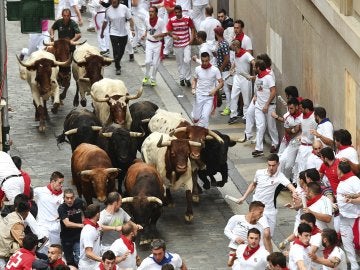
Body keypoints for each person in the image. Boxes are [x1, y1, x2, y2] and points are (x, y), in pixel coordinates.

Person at [237, 154, 297, 238]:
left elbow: (290, 186)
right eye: (269, 165)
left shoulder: (280, 177)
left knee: (269, 236)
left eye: (273, 165)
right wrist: (243, 197)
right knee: (264, 233)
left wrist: (294, 192)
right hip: (257, 208)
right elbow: (253, 184)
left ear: (278, 164)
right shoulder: (259, 173)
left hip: (270, 210)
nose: (271, 168)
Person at [224, 201, 271, 267]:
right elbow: (226, 230)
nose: (262, 215)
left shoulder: (260, 228)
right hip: (234, 252)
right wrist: (235, 238)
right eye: (260, 212)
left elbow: (261, 244)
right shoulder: (236, 218)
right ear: (253, 211)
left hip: (249, 255)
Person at [336, 161, 360, 270]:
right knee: (347, 244)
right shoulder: (342, 181)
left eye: (337, 169)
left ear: (340, 171)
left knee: (358, 243)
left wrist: (351, 200)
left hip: (355, 218)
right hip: (343, 217)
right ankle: (354, 266)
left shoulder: (355, 180)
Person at [101, 0, 135, 75]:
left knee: (121, 51)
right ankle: (117, 67)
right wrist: (102, 32)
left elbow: (130, 19)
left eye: (115, 0)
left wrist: (132, 29)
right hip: (113, 33)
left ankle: (117, 60)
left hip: (124, 33)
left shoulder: (124, 8)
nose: (113, 1)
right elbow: (105, 22)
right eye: (112, 1)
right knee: (115, 50)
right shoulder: (108, 10)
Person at [252, 59, 278, 157]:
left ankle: (275, 143)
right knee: (260, 126)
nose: (253, 68)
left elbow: (273, 91)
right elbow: (257, 89)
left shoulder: (268, 77)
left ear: (258, 68)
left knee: (271, 127)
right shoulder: (258, 77)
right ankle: (259, 149)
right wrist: (255, 96)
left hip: (269, 106)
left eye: (255, 67)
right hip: (259, 106)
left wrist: (267, 104)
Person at [191, 52, 223, 128]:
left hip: (209, 97)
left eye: (206, 61)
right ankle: (194, 115)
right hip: (199, 95)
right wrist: (193, 88)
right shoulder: (197, 69)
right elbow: (194, 80)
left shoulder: (215, 70)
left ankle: (202, 133)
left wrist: (214, 90)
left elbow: (221, 82)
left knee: (205, 117)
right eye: (203, 61)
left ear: (209, 60)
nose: (204, 63)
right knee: (196, 117)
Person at [167, 5, 195, 87]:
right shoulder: (171, 20)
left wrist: (192, 39)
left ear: (182, 11)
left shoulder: (187, 18)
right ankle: (182, 78)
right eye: (176, 12)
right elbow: (169, 31)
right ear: (174, 12)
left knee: (187, 60)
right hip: (177, 45)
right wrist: (173, 36)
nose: (178, 14)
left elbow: (192, 28)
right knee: (180, 63)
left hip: (186, 43)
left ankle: (187, 78)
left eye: (179, 12)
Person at [227, 39, 255, 125]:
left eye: (232, 45)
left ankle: (246, 117)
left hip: (245, 79)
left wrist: (254, 71)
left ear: (236, 46)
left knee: (246, 99)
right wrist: (231, 69)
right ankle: (233, 115)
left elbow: (253, 62)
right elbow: (235, 63)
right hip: (237, 77)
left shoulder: (246, 54)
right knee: (233, 96)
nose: (230, 47)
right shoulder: (235, 54)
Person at [34, 171, 64, 249]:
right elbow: (27, 195)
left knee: (55, 248)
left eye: (62, 183)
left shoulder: (63, 195)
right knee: (44, 246)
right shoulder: (40, 191)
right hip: (42, 224)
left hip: (55, 226)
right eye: (60, 183)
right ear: (53, 181)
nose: (61, 185)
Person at [57, 188, 86, 268]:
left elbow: (85, 213)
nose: (69, 200)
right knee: (69, 260)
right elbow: (67, 223)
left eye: (71, 198)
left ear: (74, 197)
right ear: (64, 198)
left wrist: (83, 220)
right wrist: (80, 225)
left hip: (78, 237)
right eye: (67, 198)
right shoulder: (62, 208)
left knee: (79, 257)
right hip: (67, 239)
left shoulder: (79, 202)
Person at [142, 6, 167, 87]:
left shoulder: (161, 21)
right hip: (149, 43)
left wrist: (158, 35)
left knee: (155, 63)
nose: (150, 13)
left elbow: (165, 33)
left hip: (158, 44)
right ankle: (146, 76)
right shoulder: (146, 20)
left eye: (152, 12)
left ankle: (153, 79)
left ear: (156, 13)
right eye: (149, 11)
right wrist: (144, 35)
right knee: (147, 61)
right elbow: (146, 29)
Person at [293, 99, 318, 182]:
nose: (300, 110)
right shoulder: (302, 116)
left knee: (303, 169)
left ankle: (301, 189)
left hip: (308, 147)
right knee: (297, 166)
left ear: (306, 109)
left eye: (301, 108)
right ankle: (297, 185)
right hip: (302, 146)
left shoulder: (314, 119)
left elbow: (313, 135)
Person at [0, 201, 30, 268]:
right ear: (27, 212)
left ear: (16, 209)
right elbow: (22, 242)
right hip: (3, 255)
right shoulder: (17, 223)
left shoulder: (11, 214)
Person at [278, 97, 302, 180]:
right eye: (288, 108)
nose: (290, 110)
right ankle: (284, 181)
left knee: (298, 164)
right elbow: (287, 131)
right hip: (293, 142)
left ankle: (294, 181)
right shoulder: (287, 117)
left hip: (304, 143)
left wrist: (300, 129)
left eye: (291, 108)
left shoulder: (303, 116)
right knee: (283, 161)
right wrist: (294, 130)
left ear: (297, 107)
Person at [214, 26, 231, 117]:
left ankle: (229, 107)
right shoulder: (220, 43)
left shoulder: (223, 44)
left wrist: (221, 68)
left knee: (226, 90)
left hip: (225, 70)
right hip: (222, 69)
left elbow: (227, 58)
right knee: (226, 89)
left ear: (216, 34)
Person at [78, 204, 102, 269]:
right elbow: (88, 253)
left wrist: (115, 228)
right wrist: (102, 260)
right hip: (88, 266)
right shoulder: (88, 230)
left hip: (95, 263)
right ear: (97, 214)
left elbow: (101, 227)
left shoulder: (95, 226)